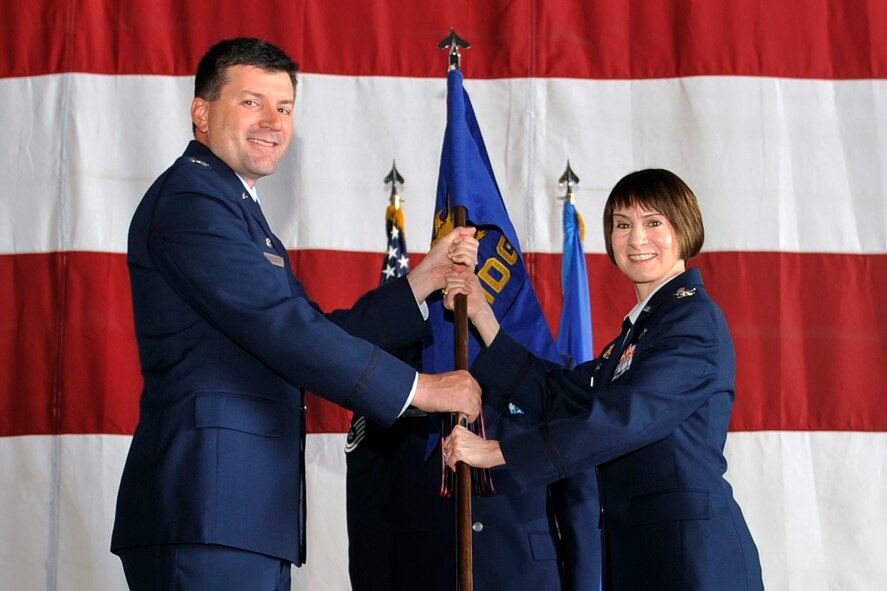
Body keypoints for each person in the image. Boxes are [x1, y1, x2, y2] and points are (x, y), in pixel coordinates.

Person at [110, 37, 482, 591]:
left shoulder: (233, 206)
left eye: (284, 107)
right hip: (207, 511)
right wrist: (421, 390)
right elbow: (284, 329)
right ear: (201, 113)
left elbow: (310, 329)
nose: (272, 121)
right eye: (251, 102)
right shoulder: (193, 200)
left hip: (238, 515)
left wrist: (423, 280)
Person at [442, 169, 764, 590]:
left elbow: (624, 419)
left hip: (693, 562)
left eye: (653, 222)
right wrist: (482, 316)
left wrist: (497, 451)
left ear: (685, 229)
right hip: (644, 558)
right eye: (622, 225)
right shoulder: (643, 331)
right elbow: (559, 394)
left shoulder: (692, 320)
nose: (637, 239)